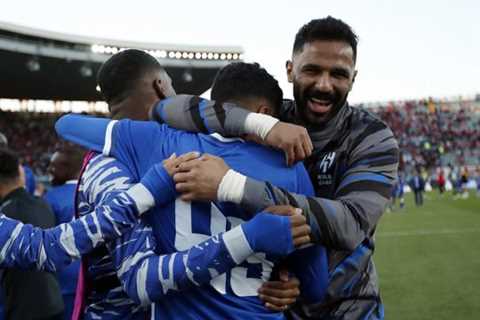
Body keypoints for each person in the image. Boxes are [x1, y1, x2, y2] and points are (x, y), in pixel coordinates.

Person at [147, 16, 399, 319]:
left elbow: (350, 225)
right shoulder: (271, 115)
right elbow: (164, 109)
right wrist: (259, 124)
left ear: (353, 78)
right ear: (290, 71)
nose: (324, 84)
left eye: (338, 74)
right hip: (276, 306)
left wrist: (232, 185)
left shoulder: (371, 136)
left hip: (350, 308)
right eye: (312, 70)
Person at [56, 61, 329, 319]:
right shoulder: (292, 171)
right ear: (266, 115)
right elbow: (315, 286)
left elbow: (67, 124)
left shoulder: (160, 143)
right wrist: (284, 275)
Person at [0, 147, 64, 320]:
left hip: (19, 309)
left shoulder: (4, 217)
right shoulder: (44, 205)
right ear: (20, 174)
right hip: (54, 304)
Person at [44, 145, 84, 320]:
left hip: (63, 279)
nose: (49, 170)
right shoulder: (96, 193)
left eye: (53, 165)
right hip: (92, 274)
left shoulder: (50, 198)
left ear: (66, 168)